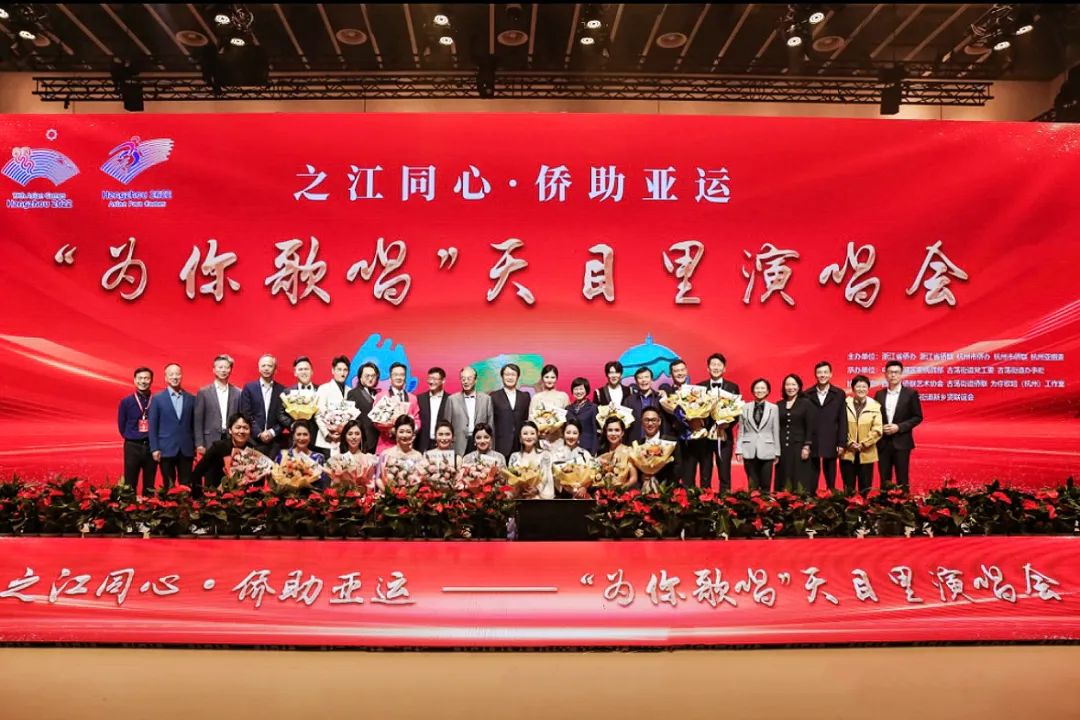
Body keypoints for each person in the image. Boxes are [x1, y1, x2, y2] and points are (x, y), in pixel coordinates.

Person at [874, 361, 923, 491]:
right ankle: (884, 503)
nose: (893, 375)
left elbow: (917, 417)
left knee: (902, 479)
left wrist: (899, 427)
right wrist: (880, 427)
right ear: (885, 374)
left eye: (896, 372)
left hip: (902, 442)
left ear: (901, 374)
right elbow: (874, 416)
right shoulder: (879, 394)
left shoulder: (911, 394)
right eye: (890, 372)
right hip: (883, 443)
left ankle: (904, 502)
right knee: (884, 479)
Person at [695, 353, 741, 493]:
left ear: (724, 368)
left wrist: (727, 425)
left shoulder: (733, 387)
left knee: (724, 472)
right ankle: (704, 500)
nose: (716, 367)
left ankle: (725, 501)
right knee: (705, 472)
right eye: (713, 365)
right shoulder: (700, 387)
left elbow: (737, 412)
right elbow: (695, 410)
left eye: (719, 365)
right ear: (708, 368)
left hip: (724, 436)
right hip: (705, 437)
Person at [148, 363, 196, 492]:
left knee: (186, 485)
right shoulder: (157, 399)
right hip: (165, 449)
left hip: (186, 449)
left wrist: (195, 446)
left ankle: (185, 505)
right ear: (166, 378)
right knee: (168, 486)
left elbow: (194, 425)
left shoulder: (191, 398)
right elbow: (153, 426)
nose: (175, 377)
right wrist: (154, 448)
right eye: (171, 374)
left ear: (181, 376)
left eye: (177, 374)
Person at [804, 361, 847, 492]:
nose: (822, 375)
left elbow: (842, 419)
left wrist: (841, 442)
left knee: (831, 476)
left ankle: (831, 497)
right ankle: (811, 498)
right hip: (813, 439)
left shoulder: (839, 393)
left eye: (825, 372)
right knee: (811, 476)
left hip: (831, 439)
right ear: (815, 374)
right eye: (819, 372)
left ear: (830, 374)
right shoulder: (807, 394)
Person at [117, 366, 157, 494]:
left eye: (146, 378)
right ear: (134, 380)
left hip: (152, 446)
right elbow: (121, 425)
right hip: (132, 446)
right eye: (140, 378)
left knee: (150, 483)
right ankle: (129, 505)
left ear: (151, 380)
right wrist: (132, 436)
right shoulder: (126, 401)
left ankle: (150, 505)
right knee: (130, 482)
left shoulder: (157, 401)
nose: (143, 381)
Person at [190, 413, 256, 491]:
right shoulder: (218, 447)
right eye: (238, 427)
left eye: (245, 428)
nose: (241, 431)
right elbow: (198, 472)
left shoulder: (253, 450)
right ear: (230, 430)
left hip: (244, 494)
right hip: (216, 493)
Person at [841, 375, 883, 494]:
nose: (861, 389)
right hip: (848, 452)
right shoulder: (844, 404)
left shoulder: (875, 406)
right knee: (848, 488)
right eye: (858, 386)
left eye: (864, 387)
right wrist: (849, 442)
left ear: (868, 389)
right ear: (853, 388)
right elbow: (840, 426)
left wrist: (864, 444)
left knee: (865, 488)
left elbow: (877, 429)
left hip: (867, 453)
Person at [735, 378, 780, 492]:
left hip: (767, 450)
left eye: (763, 388)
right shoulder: (744, 407)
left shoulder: (774, 408)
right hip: (749, 449)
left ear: (768, 391)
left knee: (766, 485)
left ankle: (765, 503)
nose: (760, 390)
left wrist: (777, 452)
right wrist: (739, 450)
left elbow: (776, 430)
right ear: (753, 390)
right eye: (757, 388)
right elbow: (741, 430)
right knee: (752, 484)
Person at [774, 374, 815, 494]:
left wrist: (807, 446)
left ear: (799, 386)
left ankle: (800, 503)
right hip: (782, 447)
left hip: (799, 446)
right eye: (788, 384)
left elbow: (810, 426)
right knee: (783, 475)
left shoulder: (806, 403)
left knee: (799, 476)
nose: (790, 387)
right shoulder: (779, 404)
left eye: (793, 384)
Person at [239, 354, 287, 457]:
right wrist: (259, 433)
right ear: (259, 368)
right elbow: (246, 413)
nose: (266, 368)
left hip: (275, 441)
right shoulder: (249, 388)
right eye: (263, 365)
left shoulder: (282, 390)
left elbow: (284, 417)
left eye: (269, 366)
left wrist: (272, 432)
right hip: (252, 440)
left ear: (275, 369)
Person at [194, 354, 241, 457]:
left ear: (230, 370)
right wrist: (199, 443)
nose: (223, 370)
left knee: (230, 466)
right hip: (209, 439)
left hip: (231, 438)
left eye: (226, 367)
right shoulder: (204, 392)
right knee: (211, 467)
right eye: (220, 367)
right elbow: (198, 420)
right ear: (214, 370)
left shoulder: (238, 392)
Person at [657, 358, 693, 485]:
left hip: (690, 442)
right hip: (670, 440)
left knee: (689, 477)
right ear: (671, 374)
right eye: (676, 371)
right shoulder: (666, 391)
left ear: (687, 371)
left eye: (682, 370)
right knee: (670, 477)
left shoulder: (695, 392)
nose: (680, 373)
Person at [373, 362, 421, 454]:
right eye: (395, 375)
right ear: (390, 377)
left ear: (405, 377)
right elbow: (376, 421)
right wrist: (391, 430)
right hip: (386, 445)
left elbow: (417, 420)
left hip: (407, 446)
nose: (399, 377)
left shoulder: (413, 398)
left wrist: (409, 430)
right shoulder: (381, 396)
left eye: (402, 375)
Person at [444, 366, 493, 455]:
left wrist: (491, 446)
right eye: (463, 379)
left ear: (475, 380)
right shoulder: (452, 399)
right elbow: (446, 425)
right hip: (458, 444)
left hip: (480, 442)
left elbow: (490, 424)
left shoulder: (486, 399)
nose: (465, 382)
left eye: (469, 379)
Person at [490, 362, 531, 459]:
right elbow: (491, 421)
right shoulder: (494, 396)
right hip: (501, 444)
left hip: (520, 444)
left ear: (518, 377)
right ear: (502, 377)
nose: (510, 377)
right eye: (507, 374)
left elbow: (527, 420)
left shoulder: (525, 396)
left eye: (513, 374)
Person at [277, 355, 319, 446]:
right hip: (295, 439)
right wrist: (293, 425)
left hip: (317, 439)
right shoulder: (287, 392)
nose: (303, 372)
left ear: (312, 371)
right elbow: (280, 414)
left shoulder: (321, 390)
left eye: (306, 369)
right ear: (295, 373)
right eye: (300, 369)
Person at [315, 355, 352, 456]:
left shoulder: (350, 391)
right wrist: (327, 434)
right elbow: (318, 415)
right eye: (339, 369)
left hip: (344, 439)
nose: (342, 373)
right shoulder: (324, 388)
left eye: (345, 370)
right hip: (326, 441)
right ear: (333, 371)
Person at [507, 421, 555, 499]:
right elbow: (511, 479)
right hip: (519, 497)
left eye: (532, 433)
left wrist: (537, 489)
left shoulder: (545, 455)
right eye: (525, 434)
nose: (529, 437)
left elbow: (546, 477)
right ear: (520, 437)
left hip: (539, 498)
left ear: (537, 436)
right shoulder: (514, 456)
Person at [376, 415, 425, 491]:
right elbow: (378, 479)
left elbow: (421, 479)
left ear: (413, 434)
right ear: (395, 432)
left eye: (408, 432)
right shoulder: (386, 454)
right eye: (401, 432)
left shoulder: (418, 456)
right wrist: (389, 494)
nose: (405, 435)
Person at [276, 420, 328, 489]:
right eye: (298, 434)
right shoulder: (283, 455)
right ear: (293, 436)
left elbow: (322, 484)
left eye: (305, 434)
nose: (302, 438)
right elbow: (277, 479)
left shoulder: (319, 457)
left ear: (310, 436)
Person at [635, 406, 680, 487]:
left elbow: (677, 468)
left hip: (666, 489)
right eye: (646, 420)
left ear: (659, 422)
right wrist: (641, 478)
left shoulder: (671, 442)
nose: (650, 423)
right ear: (641, 422)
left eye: (653, 420)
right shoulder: (637, 445)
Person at [530, 364, 571, 445]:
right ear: (542, 378)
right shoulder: (536, 398)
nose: (549, 380)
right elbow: (531, 420)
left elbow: (568, 419)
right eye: (547, 377)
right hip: (541, 440)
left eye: (552, 377)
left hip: (559, 440)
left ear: (556, 378)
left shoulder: (563, 396)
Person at [345, 361, 381, 453]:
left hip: (379, 442)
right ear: (360, 377)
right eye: (367, 376)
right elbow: (350, 420)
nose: (370, 378)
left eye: (373, 376)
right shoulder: (353, 393)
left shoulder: (379, 394)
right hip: (364, 442)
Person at [334, 419, 378, 491]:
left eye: (357, 434)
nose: (353, 437)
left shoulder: (369, 458)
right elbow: (334, 485)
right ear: (345, 436)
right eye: (350, 434)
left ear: (362, 436)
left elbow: (372, 484)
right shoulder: (338, 458)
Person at [598, 416, 639, 489]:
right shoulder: (600, 452)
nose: (613, 433)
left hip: (623, 493)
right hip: (602, 492)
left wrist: (620, 490)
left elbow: (633, 478)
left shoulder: (629, 451)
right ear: (606, 432)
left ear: (622, 433)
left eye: (617, 430)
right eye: (610, 430)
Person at [416, 367, 450, 453]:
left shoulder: (450, 399)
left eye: (434, 379)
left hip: (443, 444)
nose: (431, 382)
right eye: (429, 379)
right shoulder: (419, 399)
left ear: (443, 380)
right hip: (422, 445)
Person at [626, 366, 664, 441]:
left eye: (646, 377)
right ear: (636, 382)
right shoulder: (629, 400)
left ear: (651, 380)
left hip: (657, 443)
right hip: (635, 442)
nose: (643, 380)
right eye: (640, 378)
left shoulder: (660, 398)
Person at [564, 377, 598, 455]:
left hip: (587, 447)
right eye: (576, 389)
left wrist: (594, 451)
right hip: (570, 447)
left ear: (586, 390)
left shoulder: (593, 407)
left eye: (581, 389)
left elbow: (595, 432)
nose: (578, 392)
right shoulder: (568, 409)